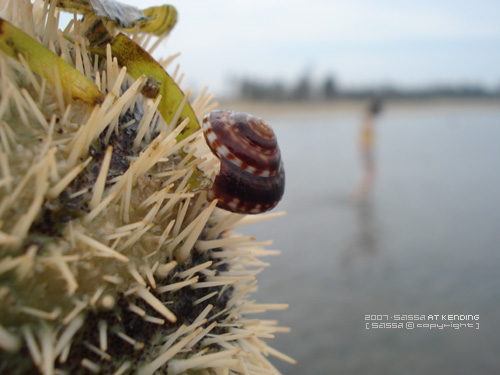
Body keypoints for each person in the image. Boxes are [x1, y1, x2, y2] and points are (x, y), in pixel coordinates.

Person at [352, 97, 383, 201]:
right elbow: (364, 135)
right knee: (370, 173)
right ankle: (358, 195)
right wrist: (365, 150)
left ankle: (360, 194)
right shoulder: (368, 119)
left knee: (370, 173)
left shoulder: (368, 117)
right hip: (366, 150)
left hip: (365, 149)